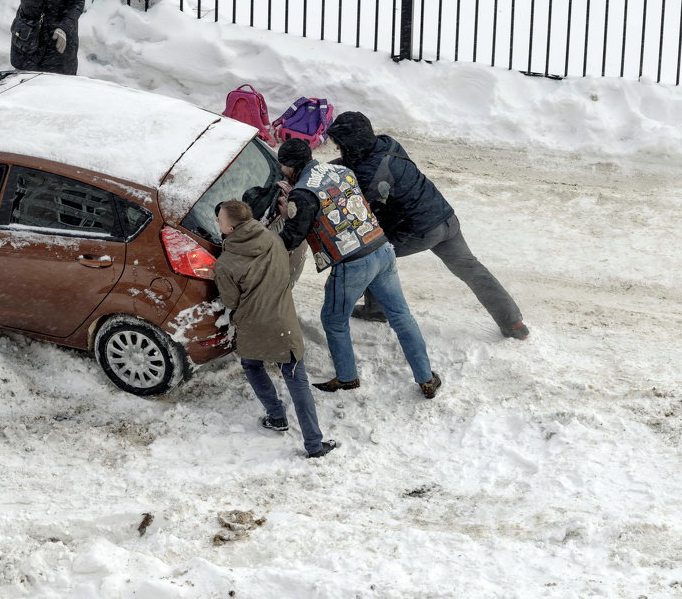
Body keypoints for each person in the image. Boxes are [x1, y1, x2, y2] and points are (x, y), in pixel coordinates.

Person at [325, 111, 529, 340]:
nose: (337, 149)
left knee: (371, 250)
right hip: (445, 218)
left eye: (340, 144)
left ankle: (376, 310)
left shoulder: (369, 173)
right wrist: (322, 168)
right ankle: (513, 322)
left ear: (352, 143)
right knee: (471, 269)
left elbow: (354, 199)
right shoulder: (387, 143)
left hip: (421, 230)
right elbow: (354, 163)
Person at [274, 138, 442, 399]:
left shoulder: (302, 194)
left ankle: (346, 377)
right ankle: (426, 377)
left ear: (290, 165)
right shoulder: (341, 170)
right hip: (381, 248)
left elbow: (292, 238)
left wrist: (289, 213)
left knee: (333, 320)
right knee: (401, 316)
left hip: (352, 264)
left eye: (283, 165)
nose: (281, 170)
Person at [214, 200, 338, 459]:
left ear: (231, 227)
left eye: (220, 220)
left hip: (253, 324)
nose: (217, 222)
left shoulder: (226, 263)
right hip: (283, 321)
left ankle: (277, 415)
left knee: (252, 364)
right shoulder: (271, 239)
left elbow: (231, 301)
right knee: (296, 378)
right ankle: (314, 444)